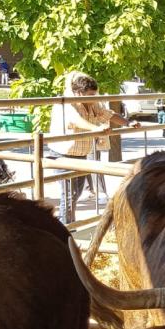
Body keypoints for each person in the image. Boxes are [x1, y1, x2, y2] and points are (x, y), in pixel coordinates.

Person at [49, 72, 139, 223]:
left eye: (94, 95)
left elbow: (108, 114)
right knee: (69, 194)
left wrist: (128, 122)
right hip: (64, 155)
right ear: (78, 93)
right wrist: (95, 129)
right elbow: (77, 121)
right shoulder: (66, 103)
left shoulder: (92, 103)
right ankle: (67, 228)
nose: (93, 98)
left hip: (81, 155)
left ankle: (65, 225)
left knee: (75, 193)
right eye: (90, 95)